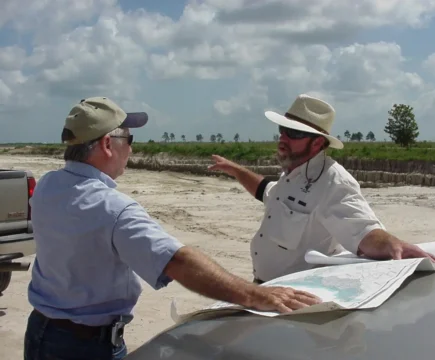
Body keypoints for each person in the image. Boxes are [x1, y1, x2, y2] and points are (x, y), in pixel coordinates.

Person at [23, 97, 321, 360]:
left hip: (40, 332)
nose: (130, 148)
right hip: (86, 347)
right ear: (106, 144)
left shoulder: (48, 185)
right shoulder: (112, 208)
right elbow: (177, 260)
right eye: (129, 139)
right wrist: (255, 295)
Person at [208, 94, 435, 284]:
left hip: (295, 298)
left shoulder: (333, 181)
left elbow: (363, 230)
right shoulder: (293, 173)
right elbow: (267, 192)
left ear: (317, 142)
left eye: (294, 133)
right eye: (282, 130)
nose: (283, 138)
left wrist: (392, 244)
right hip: (264, 289)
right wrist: (236, 170)